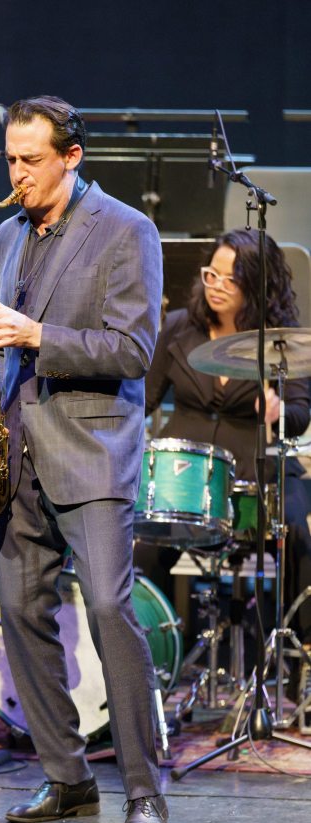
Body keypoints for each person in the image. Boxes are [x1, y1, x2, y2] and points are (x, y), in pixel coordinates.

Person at [0, 96, 168, 823]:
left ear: (72, 157)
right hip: (15, 452)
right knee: (18, 613)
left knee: (111, 612)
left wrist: (37, 334)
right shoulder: (8, 235)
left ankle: (145, 791)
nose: (16, 175)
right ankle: (68, 779)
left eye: (30, 161)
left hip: (91, 453)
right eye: (9, 160)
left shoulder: (127, 230)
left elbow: (134, 350)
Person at [134, 229, 311, 664]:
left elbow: (302, 412)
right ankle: (145, 657)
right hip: (185, 477)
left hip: (256, 470)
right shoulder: (179, 327)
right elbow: (140, 400)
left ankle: (299, 656)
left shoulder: (283, 340)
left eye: (229, 280)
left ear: (256, 287)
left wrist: (277, 412)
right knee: (142, 545)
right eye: (211, 274)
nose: (215, 286)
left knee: (299, 531)